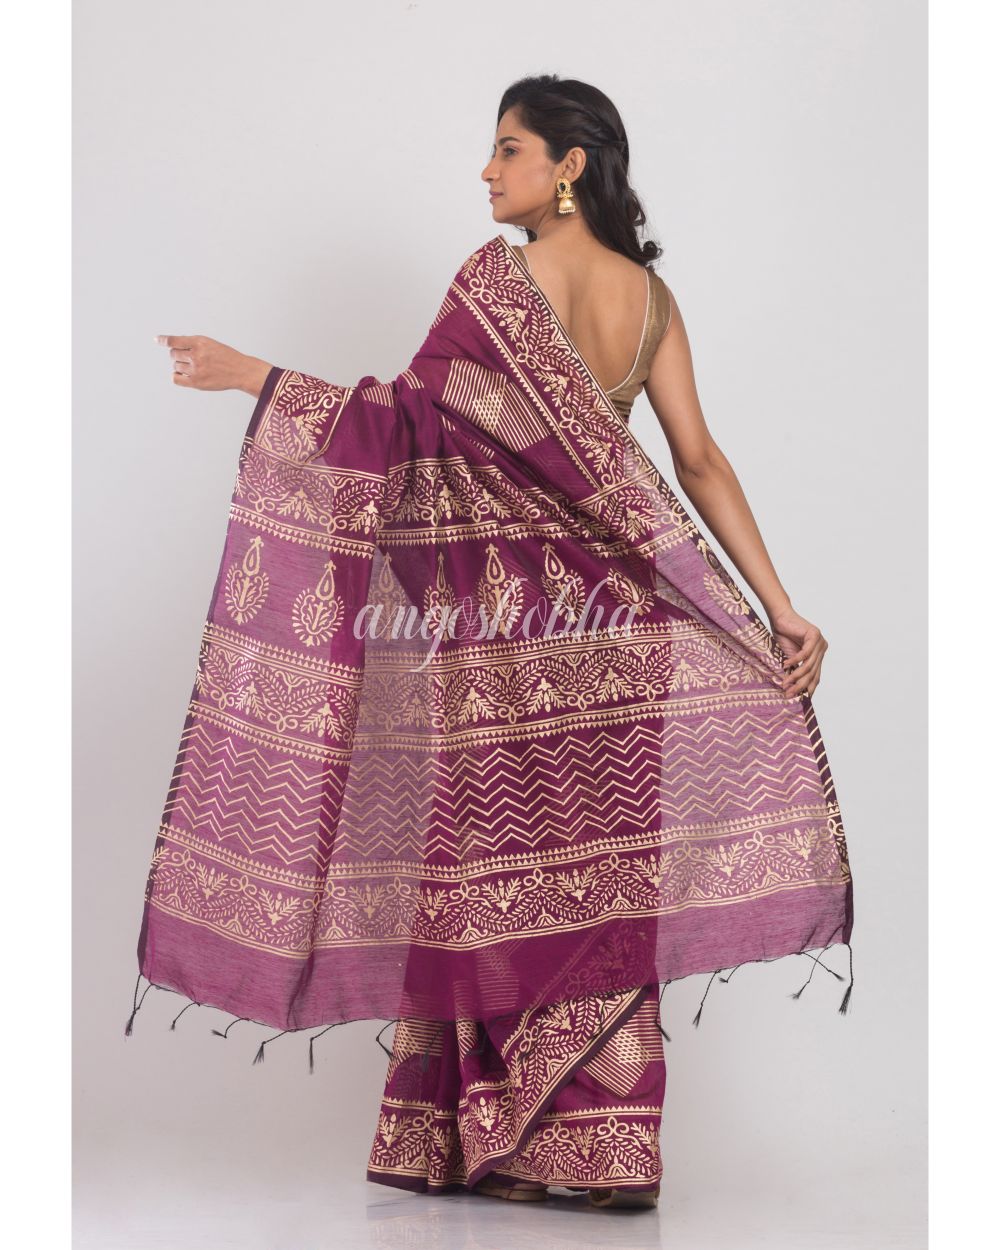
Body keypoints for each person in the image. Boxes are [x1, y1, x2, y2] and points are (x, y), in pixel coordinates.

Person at [152, 74, 836, 1212]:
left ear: (569, 165)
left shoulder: (498, 283)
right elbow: (699, 462)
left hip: (507, 643)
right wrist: (780, 607)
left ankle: (498, 1141)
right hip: (622, 639)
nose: (486, 168)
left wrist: (254, 377)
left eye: (509, 148)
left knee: (493, 878)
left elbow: (400, 429)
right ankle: (603, 1154)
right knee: (602, 885)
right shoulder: (650, 302)